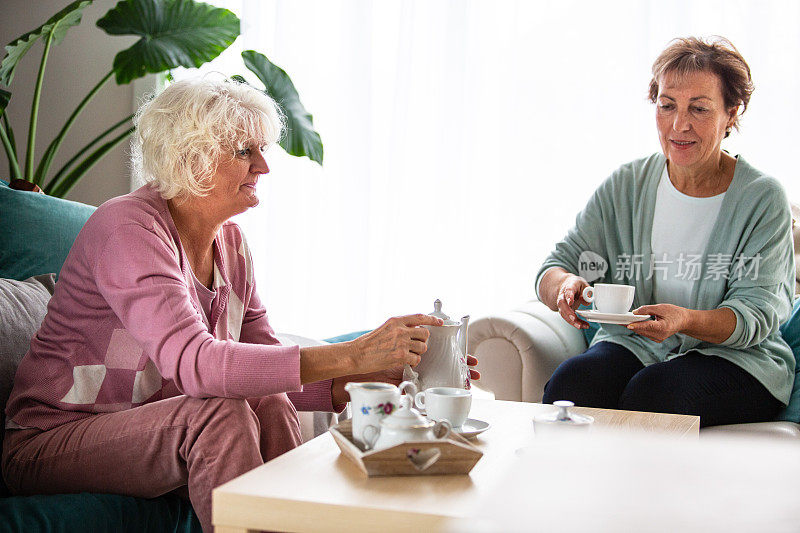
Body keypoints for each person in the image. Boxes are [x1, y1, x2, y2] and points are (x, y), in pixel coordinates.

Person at [1, 78, 478, 532]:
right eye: (244, 152)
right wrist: (356, 352)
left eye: (261, 150)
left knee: (266, 400)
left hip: (139, 429)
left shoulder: (231, 243)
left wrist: (360, 379)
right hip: (52, 440)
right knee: (217, 414)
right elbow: (198, 367)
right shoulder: (128, 230)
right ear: (190, 158)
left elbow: (267, 372)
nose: (264, 167)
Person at [536, 36, 794, 428]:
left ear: (732, 112)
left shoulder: (762, 198)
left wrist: (684, 320)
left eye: (699, 109)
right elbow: (557, 265)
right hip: (637, 346)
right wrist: (564, 287)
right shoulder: (627, 184)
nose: (679, 125)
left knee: (655, 395)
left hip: (740, 359)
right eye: (667, 105)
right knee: (571, 386)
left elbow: (754, 315)